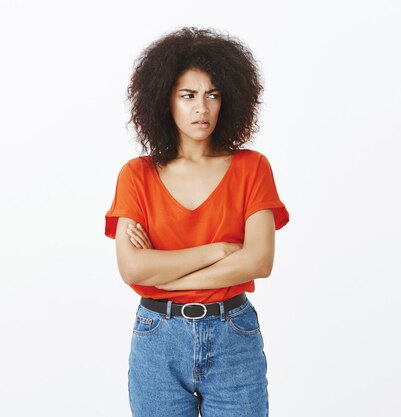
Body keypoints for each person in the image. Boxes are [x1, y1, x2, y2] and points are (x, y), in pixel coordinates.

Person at [104, 27, 289, 417]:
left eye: (213, 95)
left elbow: (259, 261)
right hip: (158, 339)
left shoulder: (251, 168)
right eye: (188, 95)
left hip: (233, 335)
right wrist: (217, 251)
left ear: (228, 101)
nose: (201, 108)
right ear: (164, 100)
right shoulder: (136, 175)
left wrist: (168, 279)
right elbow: (133, 267)